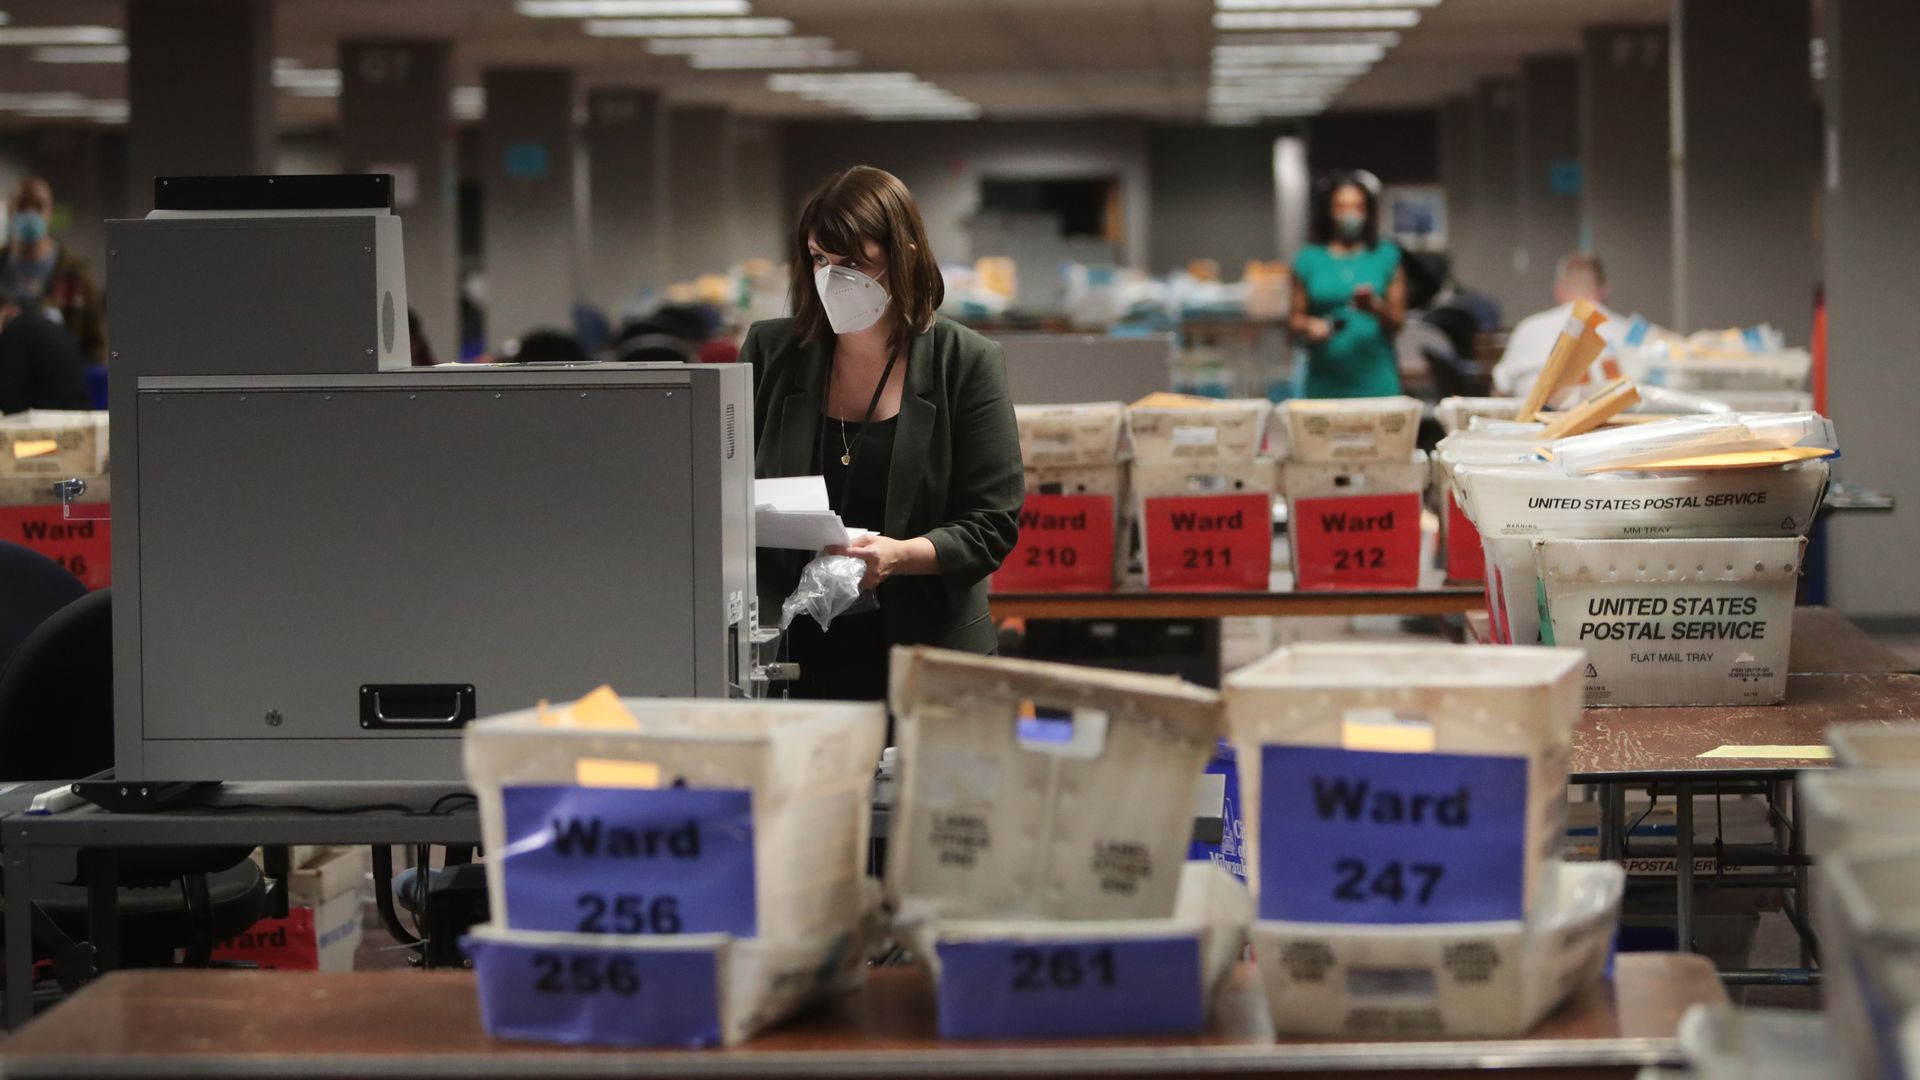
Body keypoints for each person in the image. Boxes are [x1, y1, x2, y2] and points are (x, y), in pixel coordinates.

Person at [742, 165, 1022, 702]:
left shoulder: (965, 363)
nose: (832, 278)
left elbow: (992, 522)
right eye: (820, 260)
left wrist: (899, 555)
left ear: (905, 254)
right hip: (791, 653)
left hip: (926, 654)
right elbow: (722, 488)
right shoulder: (771, 354)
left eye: (852, 263)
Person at [1289, 174, 1407, 398]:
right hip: (1323, 383)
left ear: (1367, 212)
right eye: (1341, 206)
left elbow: (1399, 322)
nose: (1349, 214)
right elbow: (1293, 321)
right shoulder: (1309, 259)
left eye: (1357, 207)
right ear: (1330, 211)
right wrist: (1309, 325)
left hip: (1376, 381)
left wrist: (1376, 307)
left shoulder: (1386, 256)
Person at [0, 178, 105, 367]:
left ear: (50, 213)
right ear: (10, 209)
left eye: (38, 206)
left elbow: (96, 342)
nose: (30, 213)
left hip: (62, 384)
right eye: (22, 205)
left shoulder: (74, 272)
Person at [1492, 252, 1616, 396]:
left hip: (1534, 416)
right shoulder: (1635, 333)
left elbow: (1500, 389)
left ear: (1558, 291)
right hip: (1616, 416)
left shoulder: (1529, 328)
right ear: (1605, 291)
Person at [0, 288, 92, 414]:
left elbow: (10, 400)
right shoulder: (48, 326)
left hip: (50, 423)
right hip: (78, 416)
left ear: (6, 309)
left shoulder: (15, 333)